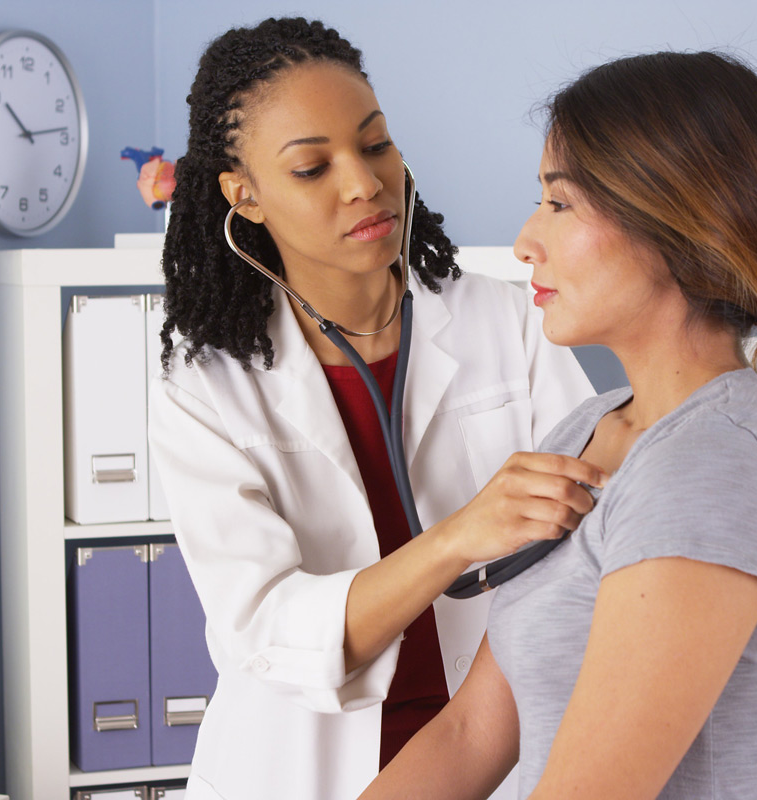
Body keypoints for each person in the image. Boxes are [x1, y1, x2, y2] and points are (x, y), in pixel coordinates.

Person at [361, 50, 757, 800]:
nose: (528, 239)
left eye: (558, 205)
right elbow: (470, 735)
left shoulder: (715, 459)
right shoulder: (586, 432)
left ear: (670, 221)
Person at [148, 17, 600, 800]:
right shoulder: (207, 387)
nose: (362, 182)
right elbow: (267, 628)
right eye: (312, 167)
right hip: (301, 769)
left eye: (376, 144)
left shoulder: (511, 322)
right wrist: (461, 537)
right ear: (243, 195)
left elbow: (593, 534)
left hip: (496, 752)